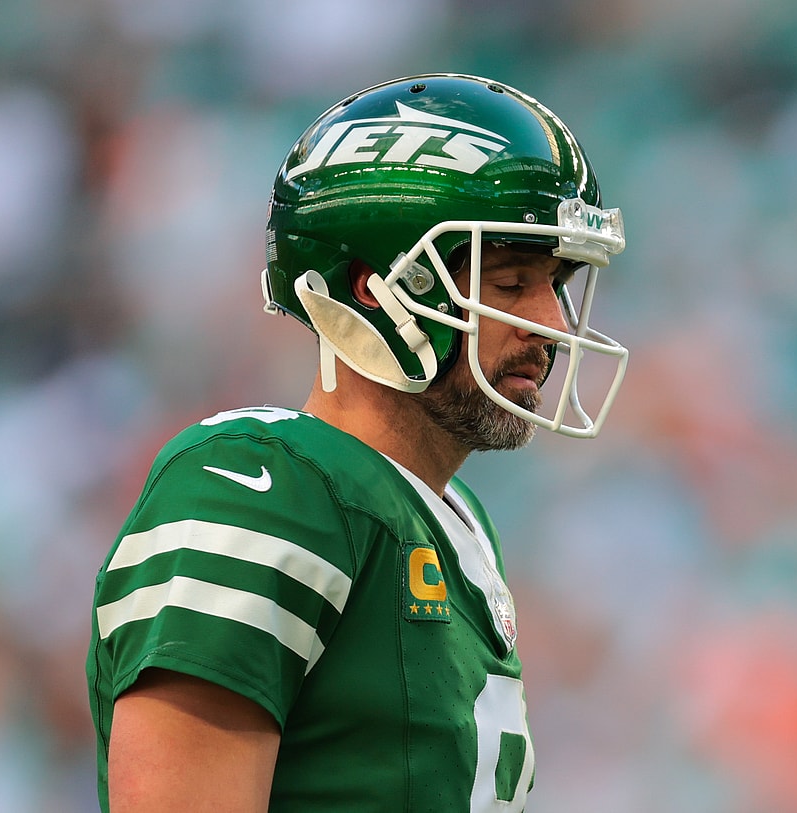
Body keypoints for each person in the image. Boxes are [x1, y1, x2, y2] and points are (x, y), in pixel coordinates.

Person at [86, 73, 629, 812]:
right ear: (376, 285)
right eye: (509, 282)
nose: (554, 324)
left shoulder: (456, 523)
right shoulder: (262, 487)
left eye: (555, 284)